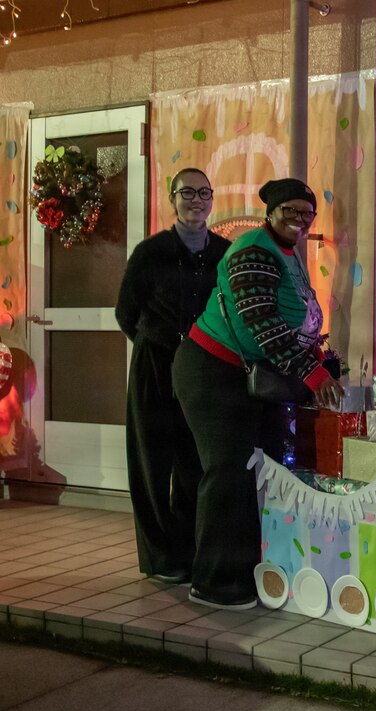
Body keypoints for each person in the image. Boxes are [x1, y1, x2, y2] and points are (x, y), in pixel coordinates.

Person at [172, 178, 343, 610]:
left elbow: (293, 319)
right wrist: (313, 373)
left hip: (247, 375)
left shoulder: (288, 254)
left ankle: (256, 571)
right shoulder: (252, 248)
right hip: (213, 372)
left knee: (261, 469)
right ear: (271, 212)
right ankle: (214, 583)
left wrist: (320, 358)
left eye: (307, 214)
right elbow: (260, 322)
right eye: (291, 212)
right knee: (229, 472)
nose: (300, 222)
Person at [115, 168, 230, 585]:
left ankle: (189, 549)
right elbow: (126, 312)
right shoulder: (151, 252)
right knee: (150, 459)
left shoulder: (224, 253)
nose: (196, 200)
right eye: (187, 193)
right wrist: (157, 344)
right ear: (172, 198)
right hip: (155, 368)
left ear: (212, 199)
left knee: (193, 461)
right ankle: (161, 556)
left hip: (202, 371)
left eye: (204, 193)